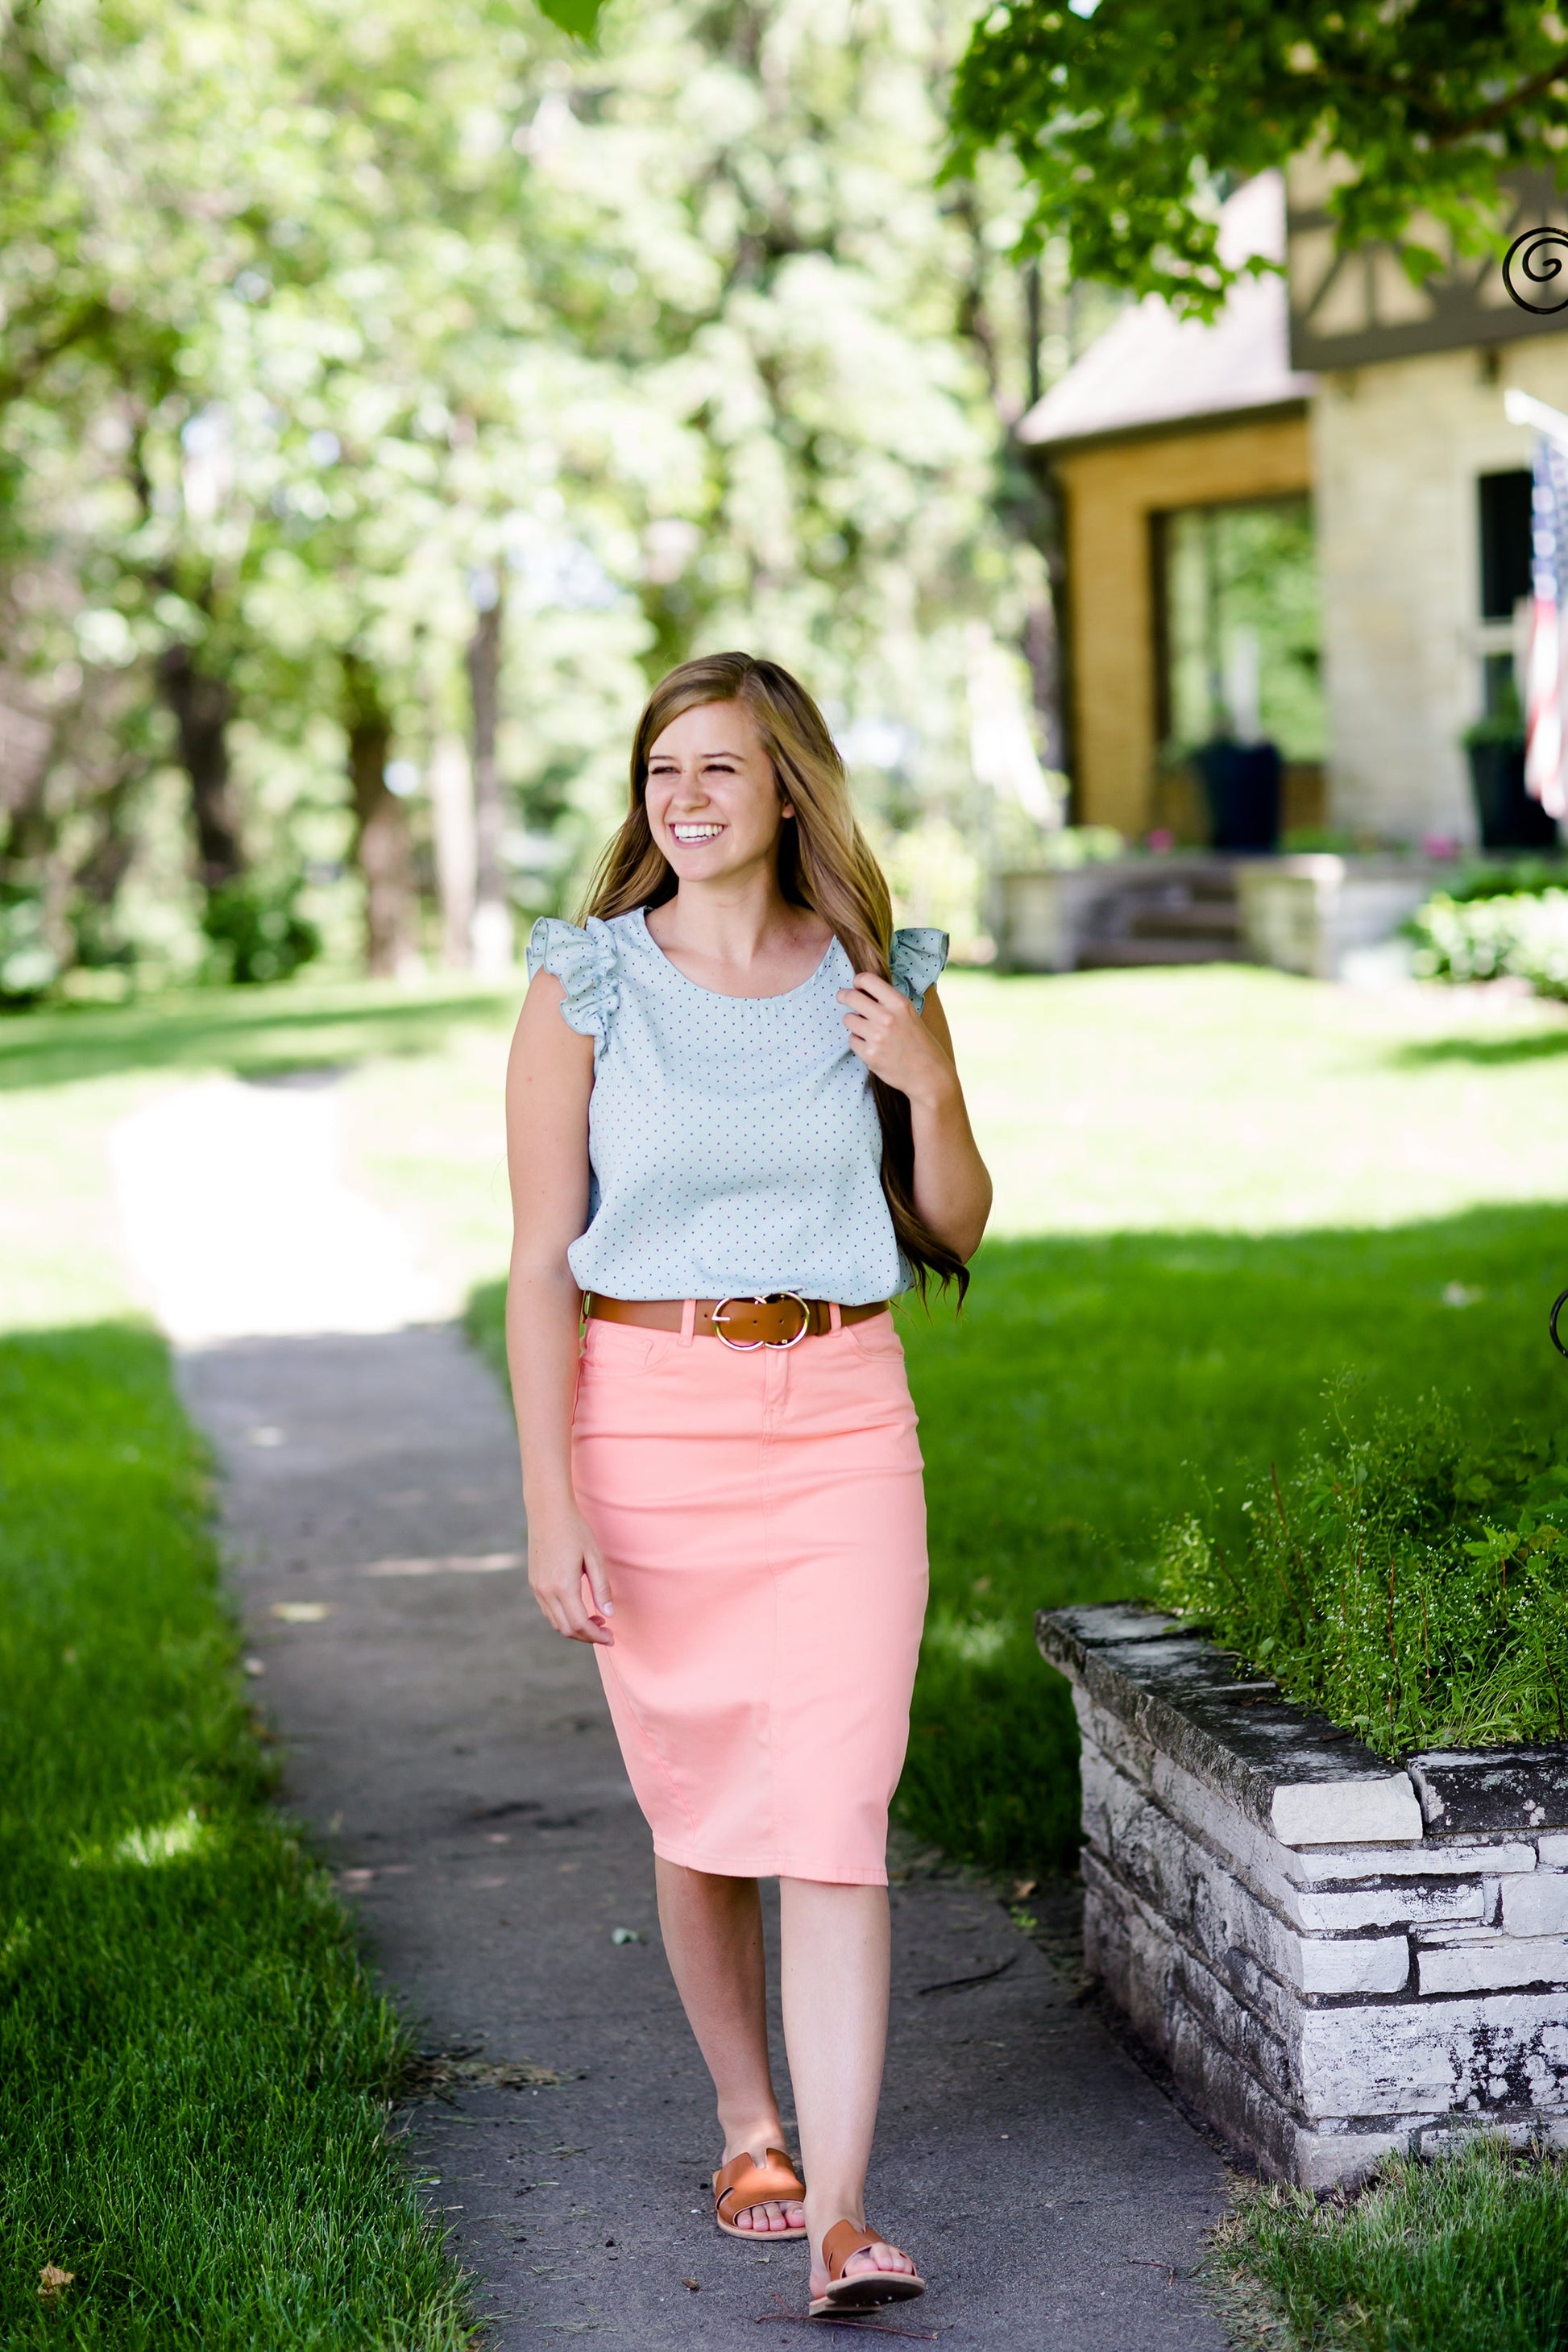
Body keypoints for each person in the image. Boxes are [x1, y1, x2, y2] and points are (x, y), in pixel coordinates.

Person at [504, 651, 991, 2317]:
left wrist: (923, 1079)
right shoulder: (586, 983)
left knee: (837, 1807)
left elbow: (957, 1220)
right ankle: (748, 2122)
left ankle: (845, 2213)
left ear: (788, 785)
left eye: (722, 768)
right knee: (705, 1796)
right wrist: (548, 1500)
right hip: (646, 1417)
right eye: (664, 771)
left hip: (846, 1410)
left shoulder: (871, 968)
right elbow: (530, 1266)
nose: (688, 798)